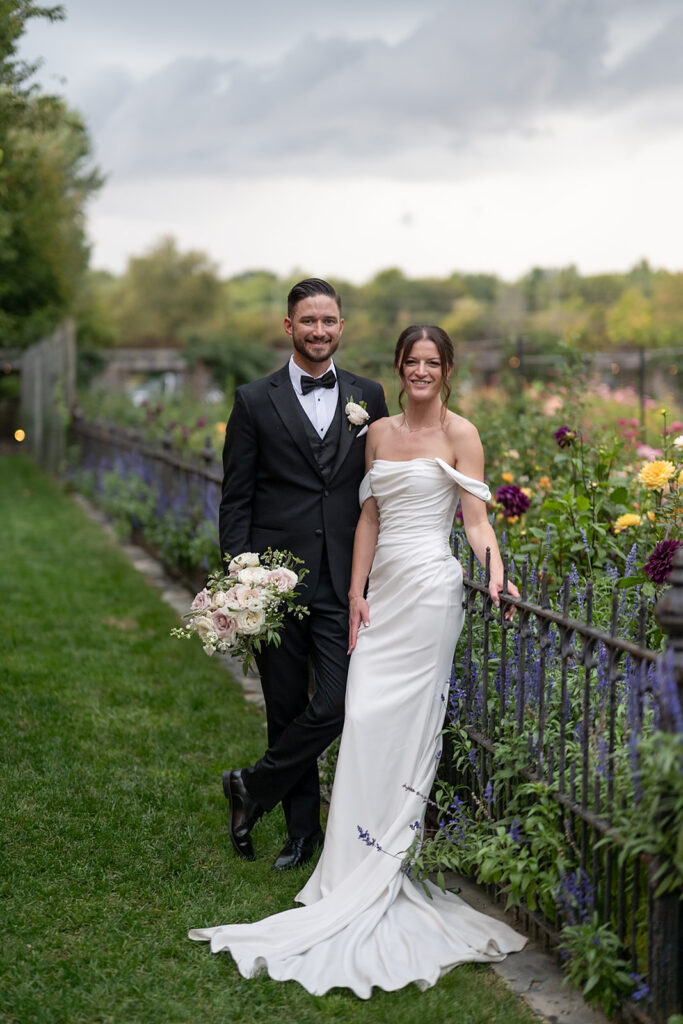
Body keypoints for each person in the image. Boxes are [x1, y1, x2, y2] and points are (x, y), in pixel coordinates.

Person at [190, 324, 525, 996]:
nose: (422, 371)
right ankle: (344, 866)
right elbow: (366, 517)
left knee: (405, 731)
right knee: (362, 716)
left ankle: (384, 860)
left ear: (448, 369)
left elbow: (475, 520)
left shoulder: (463, 434)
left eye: (433, 362)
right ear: (398, 369)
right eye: (412, 361)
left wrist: (495, 573)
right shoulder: (376, 431)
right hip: (380, 596)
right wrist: (353, 590)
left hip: (430, 594)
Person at [218, 277, 389, 871]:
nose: (319, 330)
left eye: (329, 321)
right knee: (285, 708)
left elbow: (378, 490)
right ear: (288, 327)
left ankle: (251, 787)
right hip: (275, 583)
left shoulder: (369, 395)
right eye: (308, 321)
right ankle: (300, 836)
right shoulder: (254, 400)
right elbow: (236, 498)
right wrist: (241, 580)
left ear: (342, 327)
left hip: (345, 581)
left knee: (339, 702)